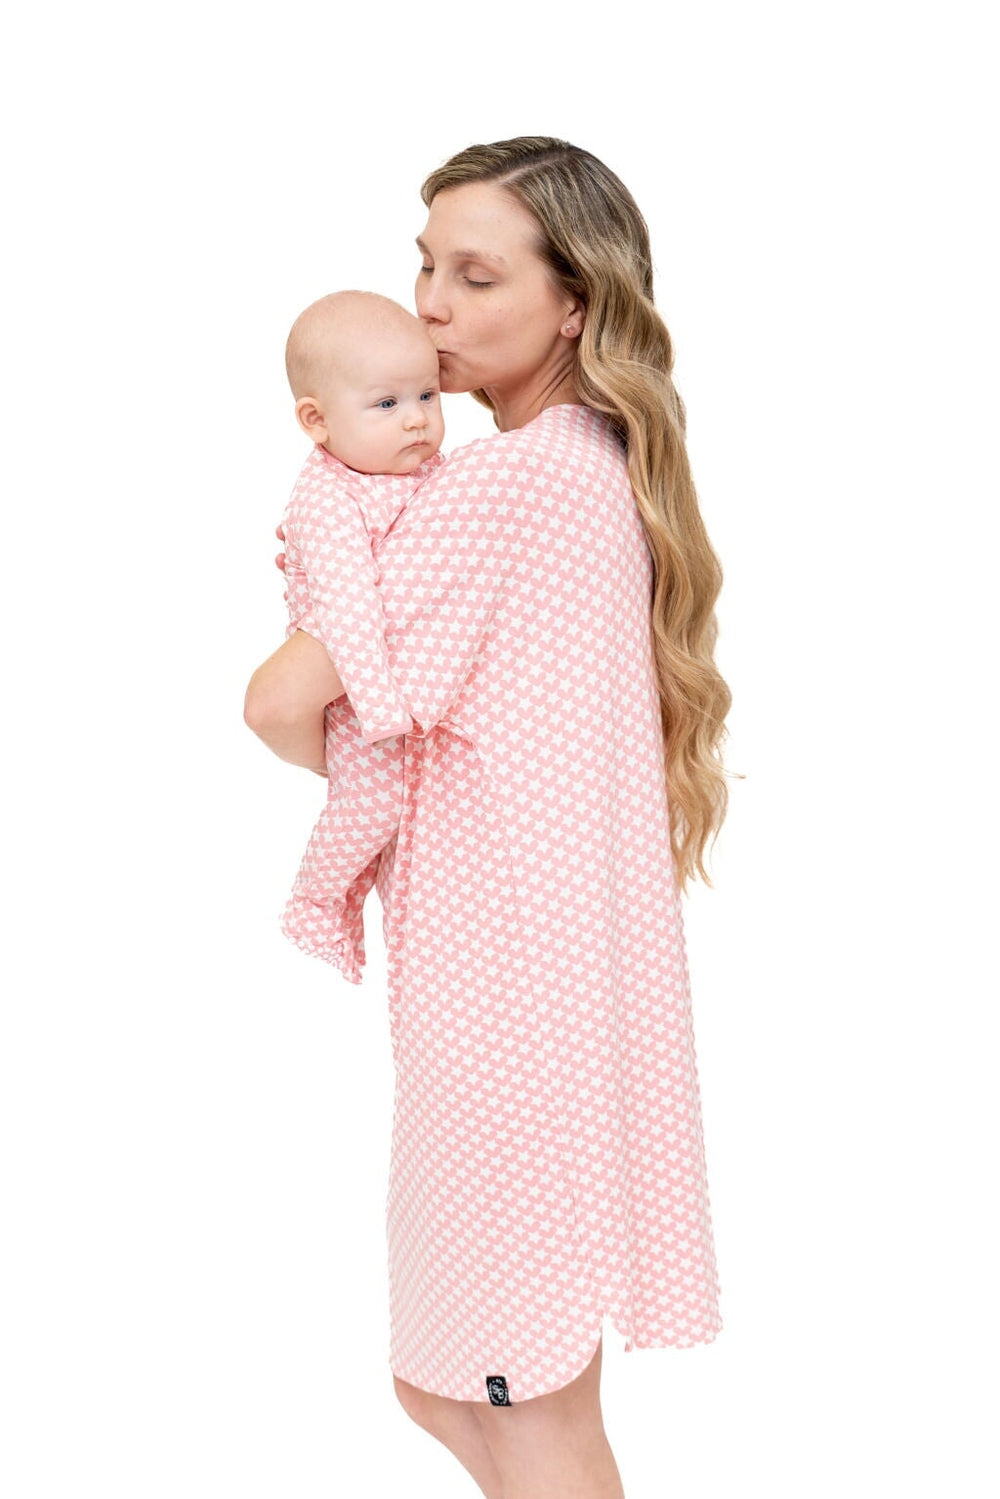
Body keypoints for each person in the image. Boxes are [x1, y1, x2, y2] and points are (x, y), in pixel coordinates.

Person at [245, 136, 733, 1499]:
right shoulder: (592, 464)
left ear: (573, 302)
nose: (431, 305)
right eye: (425, 268)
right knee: (457, 1384)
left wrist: (332, 644)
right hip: (530, 989)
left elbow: (277, 700)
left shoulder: (505, 486)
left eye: (476, 275)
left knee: (523, 1408)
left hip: (507, 1011)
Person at [277, 290, 446, 979]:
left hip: (408, 697)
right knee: (371, 806)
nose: (417, 419)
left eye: (428, 395)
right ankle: (316, 902)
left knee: (411, 831)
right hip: (358, 696)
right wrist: (378, 709)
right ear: (317, 421)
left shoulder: (417, 468)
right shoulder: (327, 497)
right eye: (387, 404)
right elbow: (348, 610)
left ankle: (354, 912)